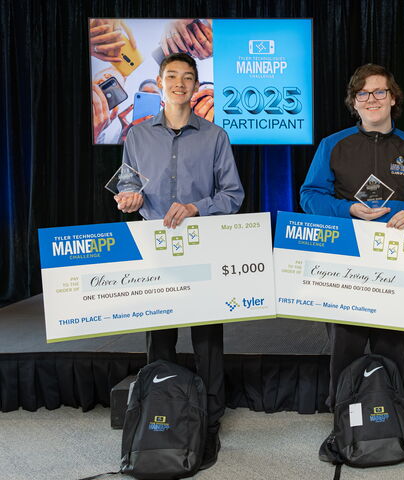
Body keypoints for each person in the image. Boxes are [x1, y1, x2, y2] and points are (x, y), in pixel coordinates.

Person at [114, 52, 244, 470]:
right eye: (172, 76)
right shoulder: (136, 136)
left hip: (202, 246)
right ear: (159, 82)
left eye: (188, 77)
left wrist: (195, 207)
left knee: (207, 340)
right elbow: (128, 186)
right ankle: (161, 408)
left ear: (196, 85)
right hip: (156, 252)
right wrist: (128, 199)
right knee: (160, 338)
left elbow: (233, 195)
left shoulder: (215, 136)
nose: (179, 84)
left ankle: (210, 417)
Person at [300, 63, 404, 409]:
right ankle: (342, 418)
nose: (372, 99)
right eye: (363, 93)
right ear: (354, 102)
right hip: (346, 259)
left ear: (393, 98)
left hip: (397, 261)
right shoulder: (333, 145)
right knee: (345, 346)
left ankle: (389, 415)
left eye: (380, 91)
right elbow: (309, 196)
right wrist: (348, 209)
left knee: (392, 345)